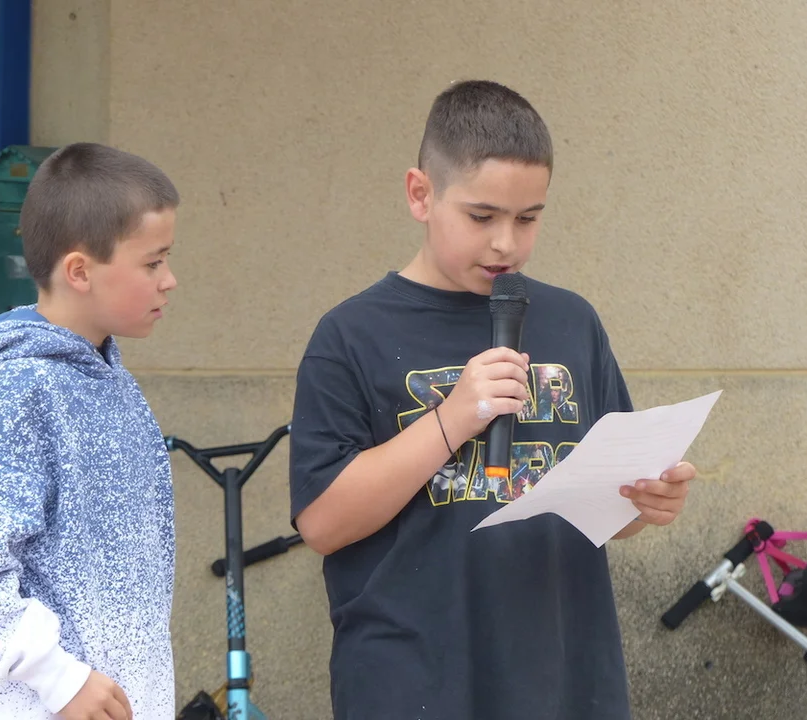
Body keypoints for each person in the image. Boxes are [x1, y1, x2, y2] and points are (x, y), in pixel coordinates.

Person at [288, 80, 697, 719]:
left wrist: (646, 502)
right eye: (482, 217)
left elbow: (609, 506)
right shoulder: (350, 335)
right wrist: (453, 418)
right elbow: (322, 523)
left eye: (528, 218)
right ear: (420, 194)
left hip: (562, 674)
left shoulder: (572, 322)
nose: (506, 242)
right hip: (414, 683)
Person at [0, 142, 180, 720]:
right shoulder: (18, 388)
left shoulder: (109, 379)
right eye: (153, 262)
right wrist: (56, 677)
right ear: (80, 271)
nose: (170, 280)